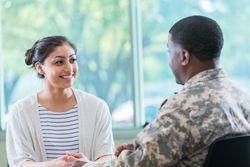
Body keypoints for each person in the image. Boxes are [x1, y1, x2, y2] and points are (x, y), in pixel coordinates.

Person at [77, 15, 250, 166]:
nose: (169, 61)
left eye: (169, 51)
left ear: (183, 56)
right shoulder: (242, 99)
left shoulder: (182, 108)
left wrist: (85, 166)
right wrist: (141, 149)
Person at [6, 36, 115, 167]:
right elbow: (20, 163)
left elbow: (106, 156)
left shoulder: (98, 107)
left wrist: (89, 165)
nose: (70, 68)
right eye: (59, 62)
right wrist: (52, 165)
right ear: (40, 68)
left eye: (72, 60)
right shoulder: (20, 112)